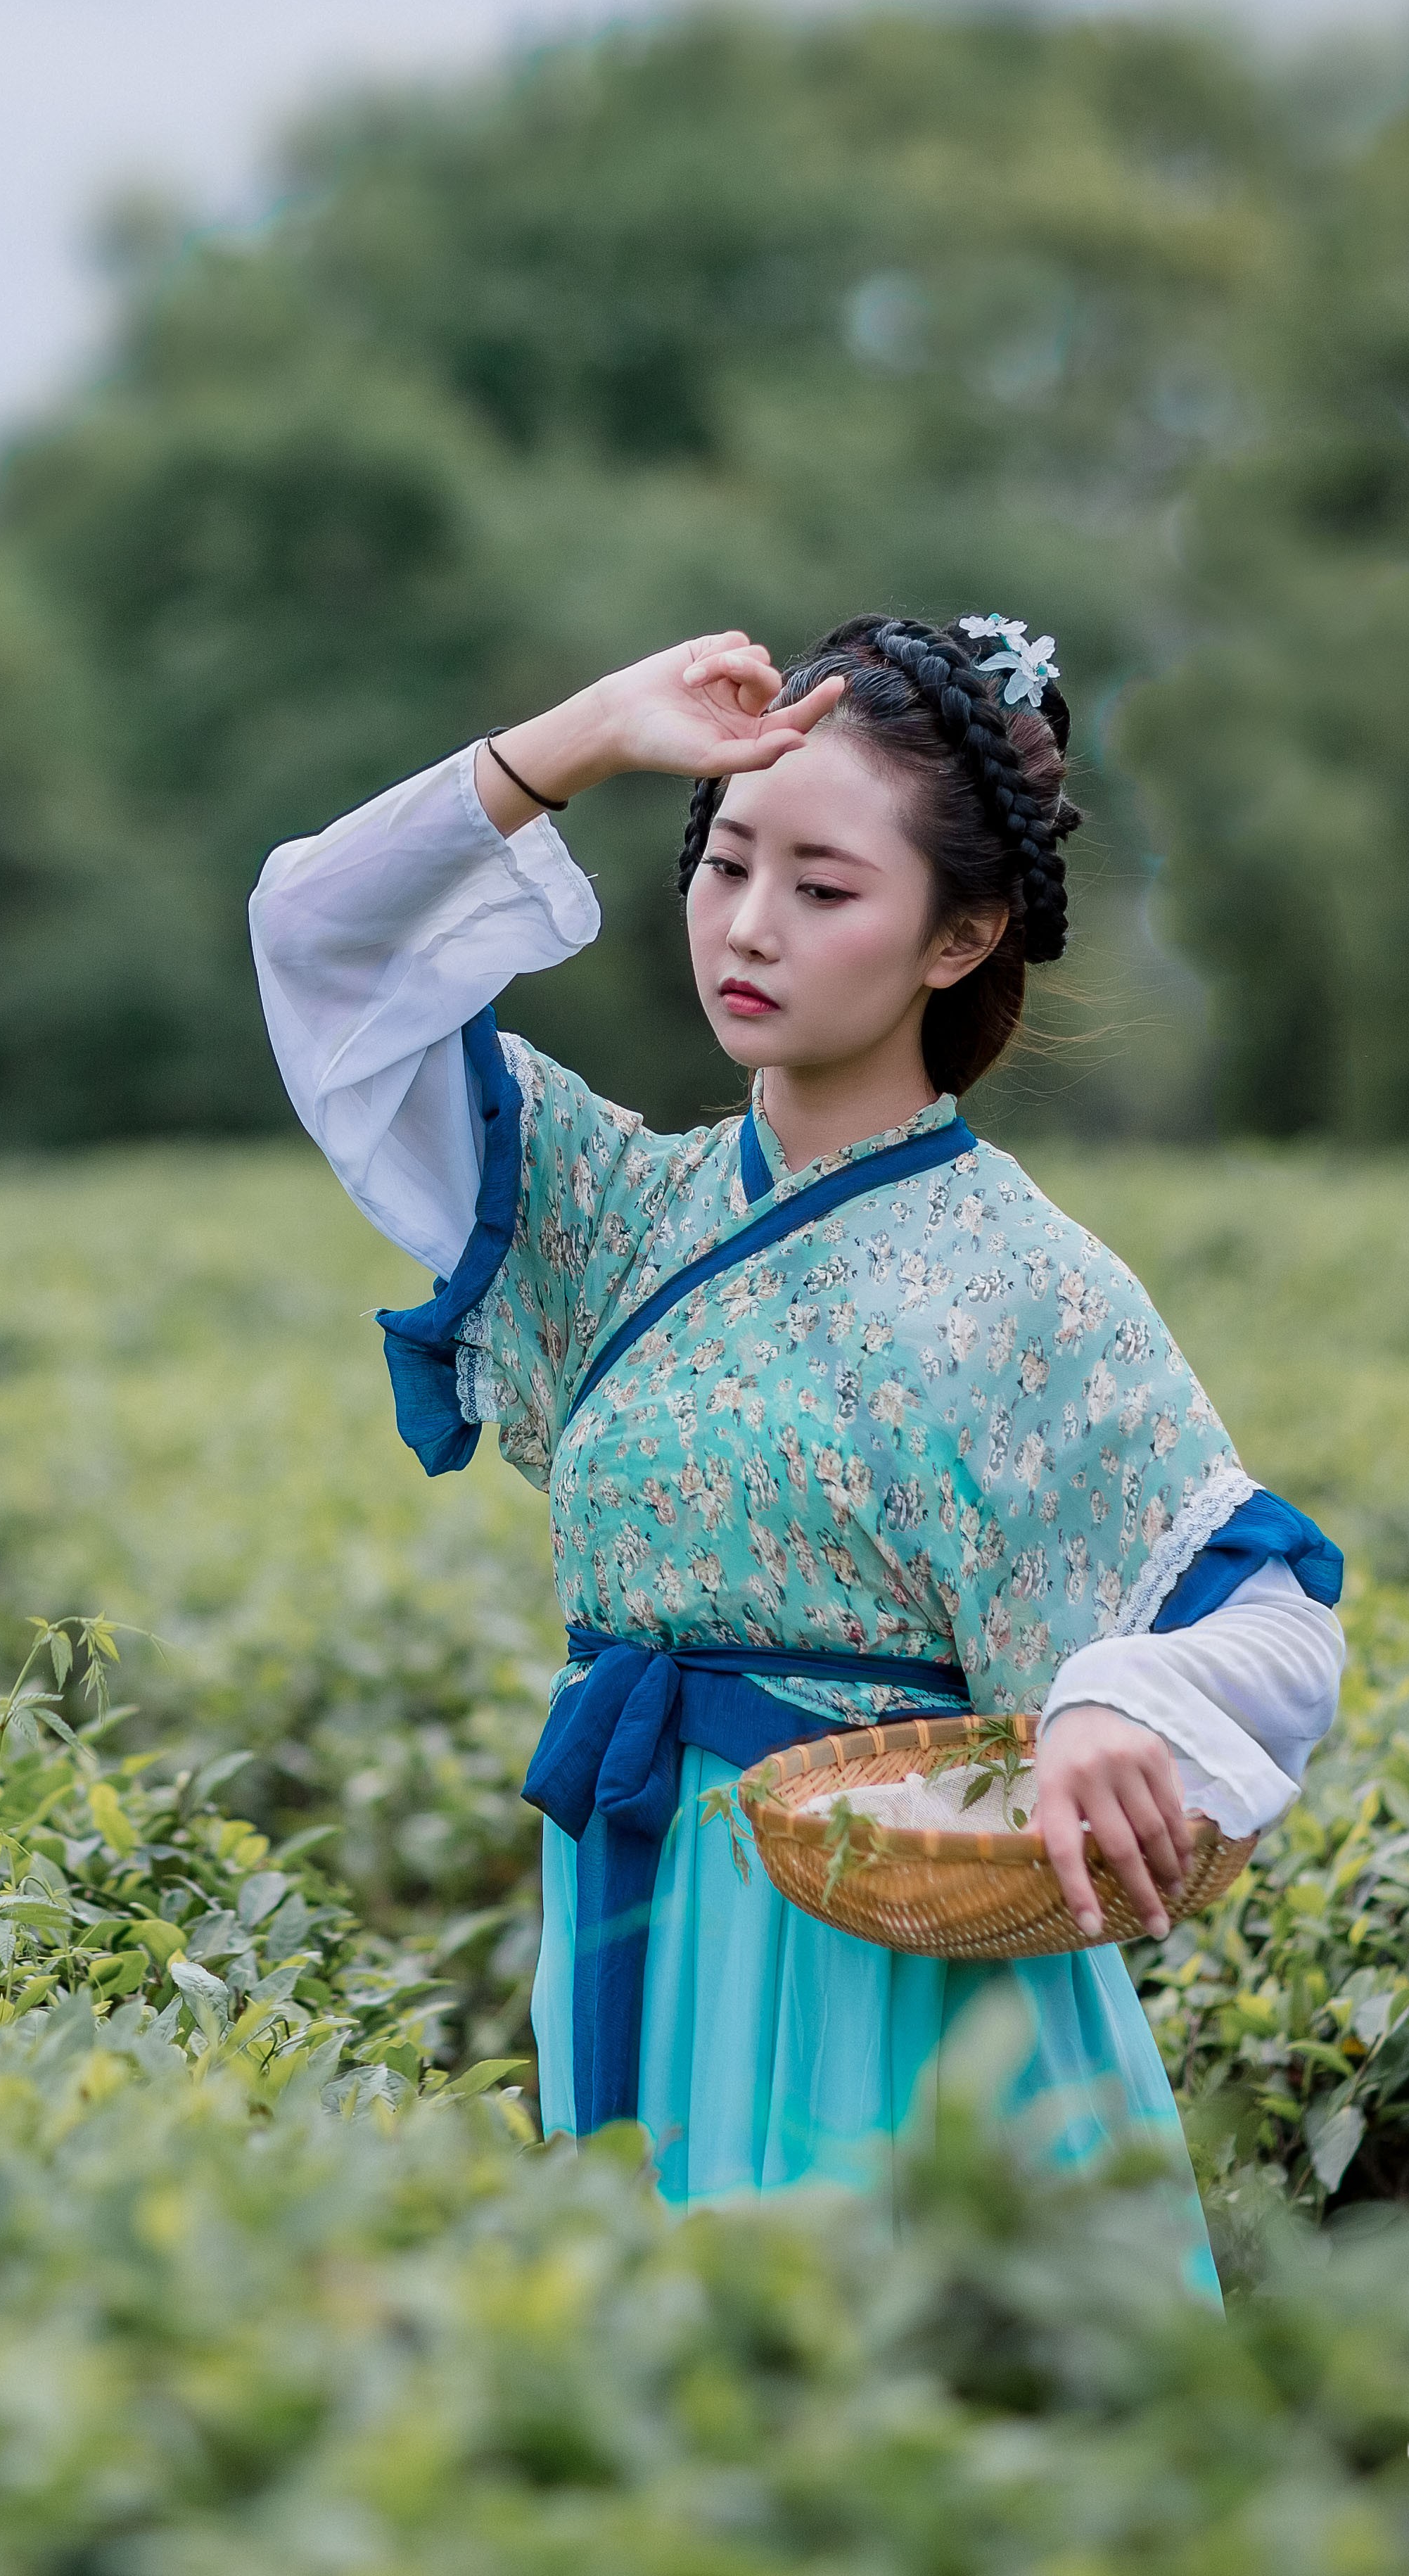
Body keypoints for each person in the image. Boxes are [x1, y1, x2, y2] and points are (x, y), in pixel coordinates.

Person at [247, 616, 1347, 2292]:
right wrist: (586, 738)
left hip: (889, 1984)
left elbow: (1270, 1612)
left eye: (823, 889)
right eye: (725, 862)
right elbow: (320, 943)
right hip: (639, 1905)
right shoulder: (609, 1212)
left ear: (958, 932)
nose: (748, 926)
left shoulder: (1026, 1285)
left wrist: (1121, 1696)